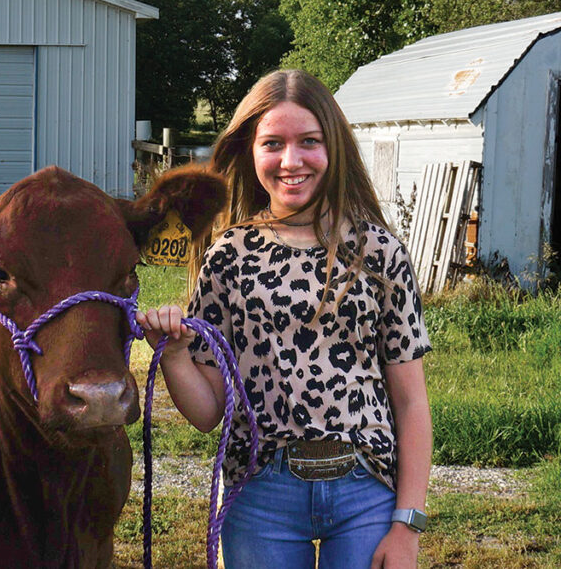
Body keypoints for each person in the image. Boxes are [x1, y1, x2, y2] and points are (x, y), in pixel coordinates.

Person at [135, 69, 432, 569]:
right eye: (273, 143)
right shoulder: (228, 256)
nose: (291, 161)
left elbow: (411, 403)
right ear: (251, 152)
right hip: (261, 493)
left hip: (367, 493)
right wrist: (175, 353)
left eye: (309, 142)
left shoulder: (379, 252)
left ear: (332, 147)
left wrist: (407, 525)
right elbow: (209, 414)